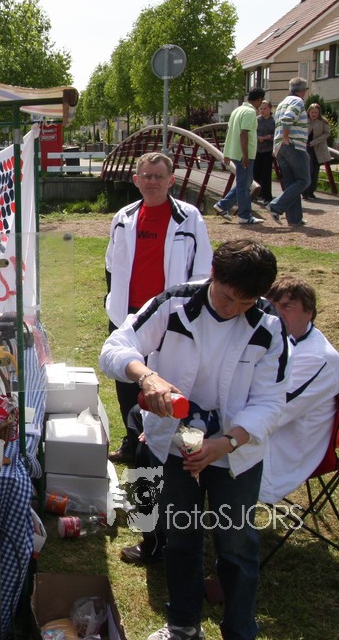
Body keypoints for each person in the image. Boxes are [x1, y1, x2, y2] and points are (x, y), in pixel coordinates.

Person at [100, 239, 287, 640]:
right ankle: (183, 625)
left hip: (234, 452)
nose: (232, 309)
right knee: (181, 536)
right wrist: (146, 376)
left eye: (245, 303)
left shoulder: (269, 325)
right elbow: (115, 347)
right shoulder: (174, 303)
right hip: (174, 446)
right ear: (213, 275)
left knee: (236, 544)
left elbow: (271, 402)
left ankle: (239, 631)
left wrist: (227, 443)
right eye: (226, 297)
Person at [105, 151, 212, 467]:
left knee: (171, 382)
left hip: (171, 317)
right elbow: (111, 263)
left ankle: (176, 450)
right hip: (128, 314)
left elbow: (202, 270)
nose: (152, 182)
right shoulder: (123, 217)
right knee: (128, 382)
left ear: (171, 181)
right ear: (136, 180)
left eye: (159, 177)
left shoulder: (189, 217)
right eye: (147, 176)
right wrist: (113, 301)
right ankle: (133, 443)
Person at [259, 276, 339, 505]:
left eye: (287, 306)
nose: (276, 313)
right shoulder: (278, 339)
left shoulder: (318, 358)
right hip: (265, 435)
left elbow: (273, 412)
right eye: (272, 305)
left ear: (310, 313)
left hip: (283, 454)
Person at [213, 88, 265, 225]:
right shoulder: (250, 112)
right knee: (244, 184)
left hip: (235, 152)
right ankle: (244, 215)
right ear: (259, 99)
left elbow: (230, 131)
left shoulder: (237, 110)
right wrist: (245, 155)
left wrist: (227, 152)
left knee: (245, 182)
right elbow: (244, 133)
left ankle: (223, 205)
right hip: (244, 153)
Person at [268, 77, 310, 228]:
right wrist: (286, 137)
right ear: (303, 90)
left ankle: (294, 219)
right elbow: (288, 119)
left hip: (279, 147)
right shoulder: (298, 102)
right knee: (304, 180)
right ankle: (276, 206)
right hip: (293, 145)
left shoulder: (282, 103)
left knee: (292, 183)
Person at [304, 103, 333, 200]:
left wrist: (314, 142)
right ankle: (305, 192)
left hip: (318, 147)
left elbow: (327, 133)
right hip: (306, 147)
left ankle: (311, 191)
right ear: (309, 112)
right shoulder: (304, 121)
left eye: (316, 112)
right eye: (312, 112)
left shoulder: (323, 121)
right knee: (308, 169)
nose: (314, 114)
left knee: (315, 170)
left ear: (319, 113)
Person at [253, 100, 276, 206]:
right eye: (261, 108)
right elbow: (251, 132)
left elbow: (277, 134)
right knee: (255, 172)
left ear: (270, 109)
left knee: (266, 173)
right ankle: (254, 194)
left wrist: (269, 137)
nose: (262, 111)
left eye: (265, 108)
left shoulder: (274, 121)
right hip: (257, 149)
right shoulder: (256, 120)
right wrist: (258, 138)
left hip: (268, 150)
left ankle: (267, 196)